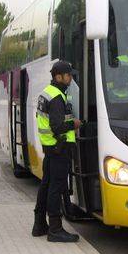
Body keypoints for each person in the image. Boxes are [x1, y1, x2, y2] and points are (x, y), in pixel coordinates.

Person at [32, 60, 81, 242]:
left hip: (50, 148)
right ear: (58, 76)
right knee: (56, 187)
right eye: (68, 75)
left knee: (46, 185)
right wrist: (74, 123)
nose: (71, 78)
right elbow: (58, 126)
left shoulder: (48, 93)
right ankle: (55, 229)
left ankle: (39, 224)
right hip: (59, 148)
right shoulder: (57, 97)